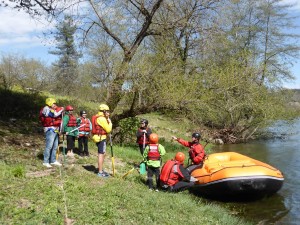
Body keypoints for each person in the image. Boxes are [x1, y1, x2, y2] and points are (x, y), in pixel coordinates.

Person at [40, 97, 64, 168]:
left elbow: (56, 114)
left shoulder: (52, 109)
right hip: (49, 129)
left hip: (55, 129)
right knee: (49, 146)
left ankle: (53, 160)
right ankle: (45, 161)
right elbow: (53, 115)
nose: (55, 105)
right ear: (50, 103)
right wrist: (61, 110)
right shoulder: (46, 109)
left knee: (55, 146)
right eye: (53, 103)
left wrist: (61, 110)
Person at [91, 104, 112, 178]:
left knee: (104, 153)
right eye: (107, 111)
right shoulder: (102, 119)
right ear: (104, 111)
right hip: (101, 138)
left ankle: (100, 169)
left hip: (97, 137)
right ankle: (100, 172)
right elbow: (108, 130)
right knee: (101, 154)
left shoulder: (97, 116)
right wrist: (110, 122)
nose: (108, 113)